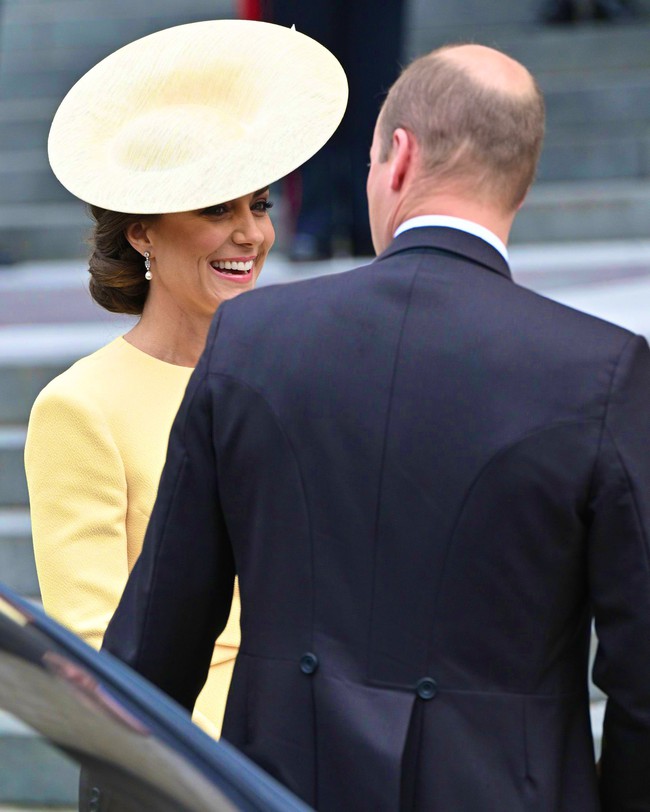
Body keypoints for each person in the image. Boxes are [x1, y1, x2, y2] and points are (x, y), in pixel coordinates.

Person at [103, 42, 650, 811]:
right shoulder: (602, 371)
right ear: (520, 180)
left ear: (398, 158)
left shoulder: (252, 339)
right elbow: (642, 682)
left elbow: (155, 645)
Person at [24, 18, 347, 740]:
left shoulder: (292, 379)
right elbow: (97, 655)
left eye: (259, 205)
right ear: (141, 231)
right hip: (193, 766)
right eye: (216, 208)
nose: (251, 234)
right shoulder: (80, 408)